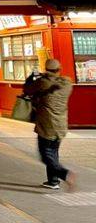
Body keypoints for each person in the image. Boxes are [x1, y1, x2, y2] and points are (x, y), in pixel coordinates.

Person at [24, 58, 76, 190]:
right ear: (59, 70)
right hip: (60, 125)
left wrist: (32, 76)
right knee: (53, 153)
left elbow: (27, 90)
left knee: (45, 154)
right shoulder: (66, 84)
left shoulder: (42, 82)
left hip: (46, 125)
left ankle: (64, 174)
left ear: (46, 69)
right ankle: (53, 181)